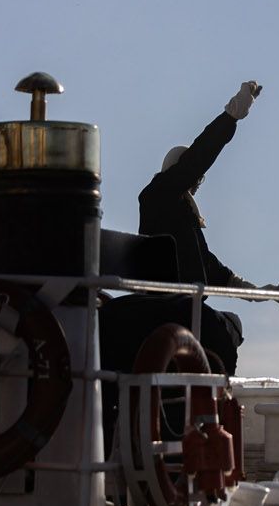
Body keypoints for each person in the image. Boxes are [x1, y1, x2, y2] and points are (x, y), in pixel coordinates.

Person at [100, 81, 262, 384]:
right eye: (193, 177)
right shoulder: (159, 194)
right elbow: (200, 155)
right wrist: (231, 117)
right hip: (172, 306)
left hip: (186, 303)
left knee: (229, 326)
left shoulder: (181, 211)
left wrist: (244, 287)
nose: (197, 182)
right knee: (223, 331)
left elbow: (202, 260)